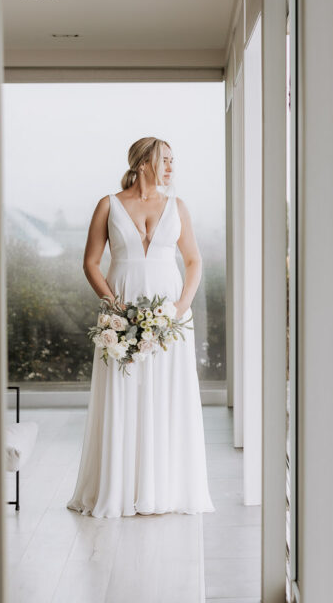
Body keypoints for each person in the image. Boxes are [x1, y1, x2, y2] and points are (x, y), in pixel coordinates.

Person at [67, 137, 216, 516]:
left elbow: (194, 261)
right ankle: (119, 488)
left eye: (172, 160)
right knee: (123, 392)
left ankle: (164, 489)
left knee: (167, 394)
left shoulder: (177, 207)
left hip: (169, 317)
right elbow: (91, 262)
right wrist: (113, 305)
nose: (170, 166)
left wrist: (180, 307)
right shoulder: (109, 205)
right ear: (144, 163)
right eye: (164, 159)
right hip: (120, 315)